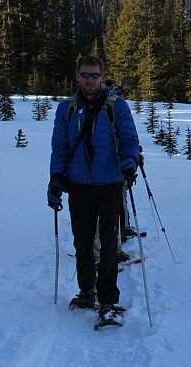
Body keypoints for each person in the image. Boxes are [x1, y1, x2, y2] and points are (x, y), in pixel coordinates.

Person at [47, 56, 140, 325]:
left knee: (110, 246)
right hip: (78, 186)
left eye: (95, 75)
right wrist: (55, 178)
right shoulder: (66, 109)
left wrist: (130, 159)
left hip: (110, 184)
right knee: (83, 243)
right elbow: (59, 147)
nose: (90, 80)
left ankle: (108, 301)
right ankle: (87, 291)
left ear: (102, 77)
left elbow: (129, 138)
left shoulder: (116, 106)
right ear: (77, 76)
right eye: (85, 75)